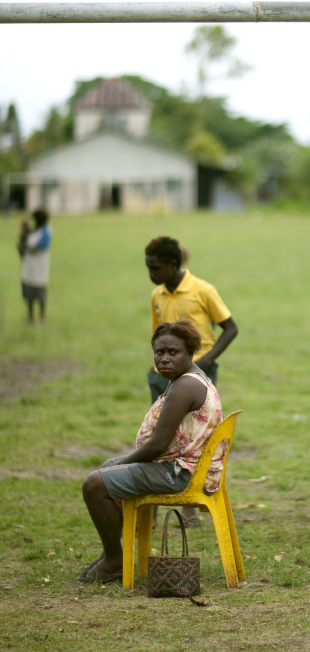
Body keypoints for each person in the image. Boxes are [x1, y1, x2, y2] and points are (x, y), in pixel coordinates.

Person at [80, 319, 225, 583]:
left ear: (190, 352)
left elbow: (158, 445)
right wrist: (118, 465)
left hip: (179, 474)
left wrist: (121, 464)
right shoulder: (186, 379)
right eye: (160, 352)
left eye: (173, 352)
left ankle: (114, 561)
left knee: (95, 483)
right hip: (180, 468)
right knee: (105, 469)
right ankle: (110, 555)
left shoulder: (185, 386)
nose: (165, 359)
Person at [145, 235, 238, 527]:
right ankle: (153, 504)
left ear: (173, 264)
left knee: (194, 437)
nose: (151, 274)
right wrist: (155, 366)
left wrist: (207, 361)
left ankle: (189, 506)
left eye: (155, 268)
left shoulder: (202, 290)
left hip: (198, 372)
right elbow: (157, 335)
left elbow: (230, 328)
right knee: (162, 433)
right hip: (164, 374)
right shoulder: (157, 295)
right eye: (147, 268)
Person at [17, 209, 52, 324]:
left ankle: (41, 318)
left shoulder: (46, 231)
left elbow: (37, 248)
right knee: (28, 293)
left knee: (40, 293)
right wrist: (23, 234)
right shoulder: (35, 230)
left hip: (39, 268)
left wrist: (24, 248)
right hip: (28, 267)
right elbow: (25, 242)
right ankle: (30, 317)